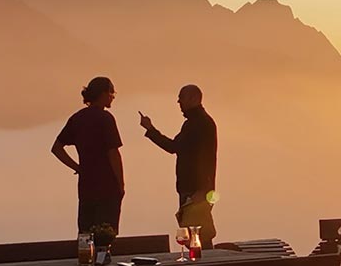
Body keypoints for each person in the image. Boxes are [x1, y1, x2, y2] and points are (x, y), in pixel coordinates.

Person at [140, 84, 218, 247]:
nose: (178, 102)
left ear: (194, 98)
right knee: (197, 235)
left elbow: (175, 148)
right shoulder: (201, 122)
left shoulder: (197, 123)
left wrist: (150, 129)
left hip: (194, 190)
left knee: (197, 236)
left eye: (181, 98)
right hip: (197, 189)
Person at [52, 76, 124, 237]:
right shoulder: (106, 119)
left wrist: (77, 167)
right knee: (106, 233)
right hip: (107, 185)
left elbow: (56, 148)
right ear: (103, 94)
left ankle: (86, 260)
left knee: (86, 232)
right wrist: (121, 184)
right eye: (111, 92)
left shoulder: (77, 118)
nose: (113, 96)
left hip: (86, 186)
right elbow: (113, 154)